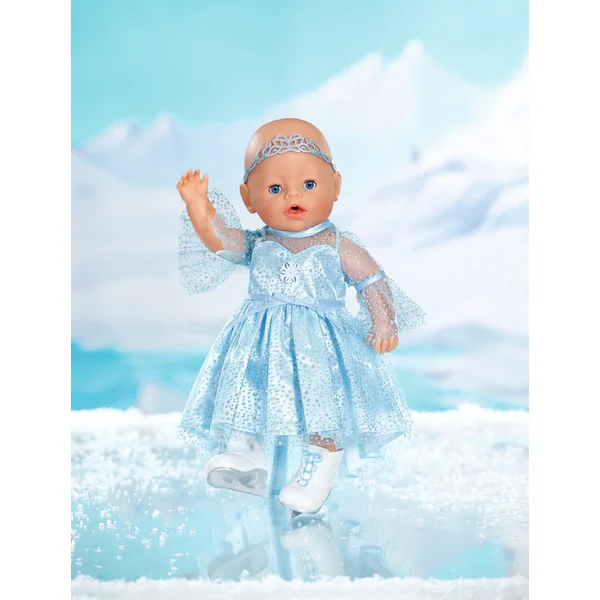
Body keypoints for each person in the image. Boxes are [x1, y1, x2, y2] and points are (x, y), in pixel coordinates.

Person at [176, 118, 425, 515]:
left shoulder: (336, 244)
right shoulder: (258, 242)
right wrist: (197, 205)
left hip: (319, 346)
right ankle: (244, 449)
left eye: (309, 184)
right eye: (275, 189)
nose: (293, 194)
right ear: (248, 198)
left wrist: (383, 321)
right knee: (248, 389)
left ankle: (321, 459)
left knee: (320, 401)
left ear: (336, 186)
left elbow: (372, 281)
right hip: (258, 342)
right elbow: (221, 240)